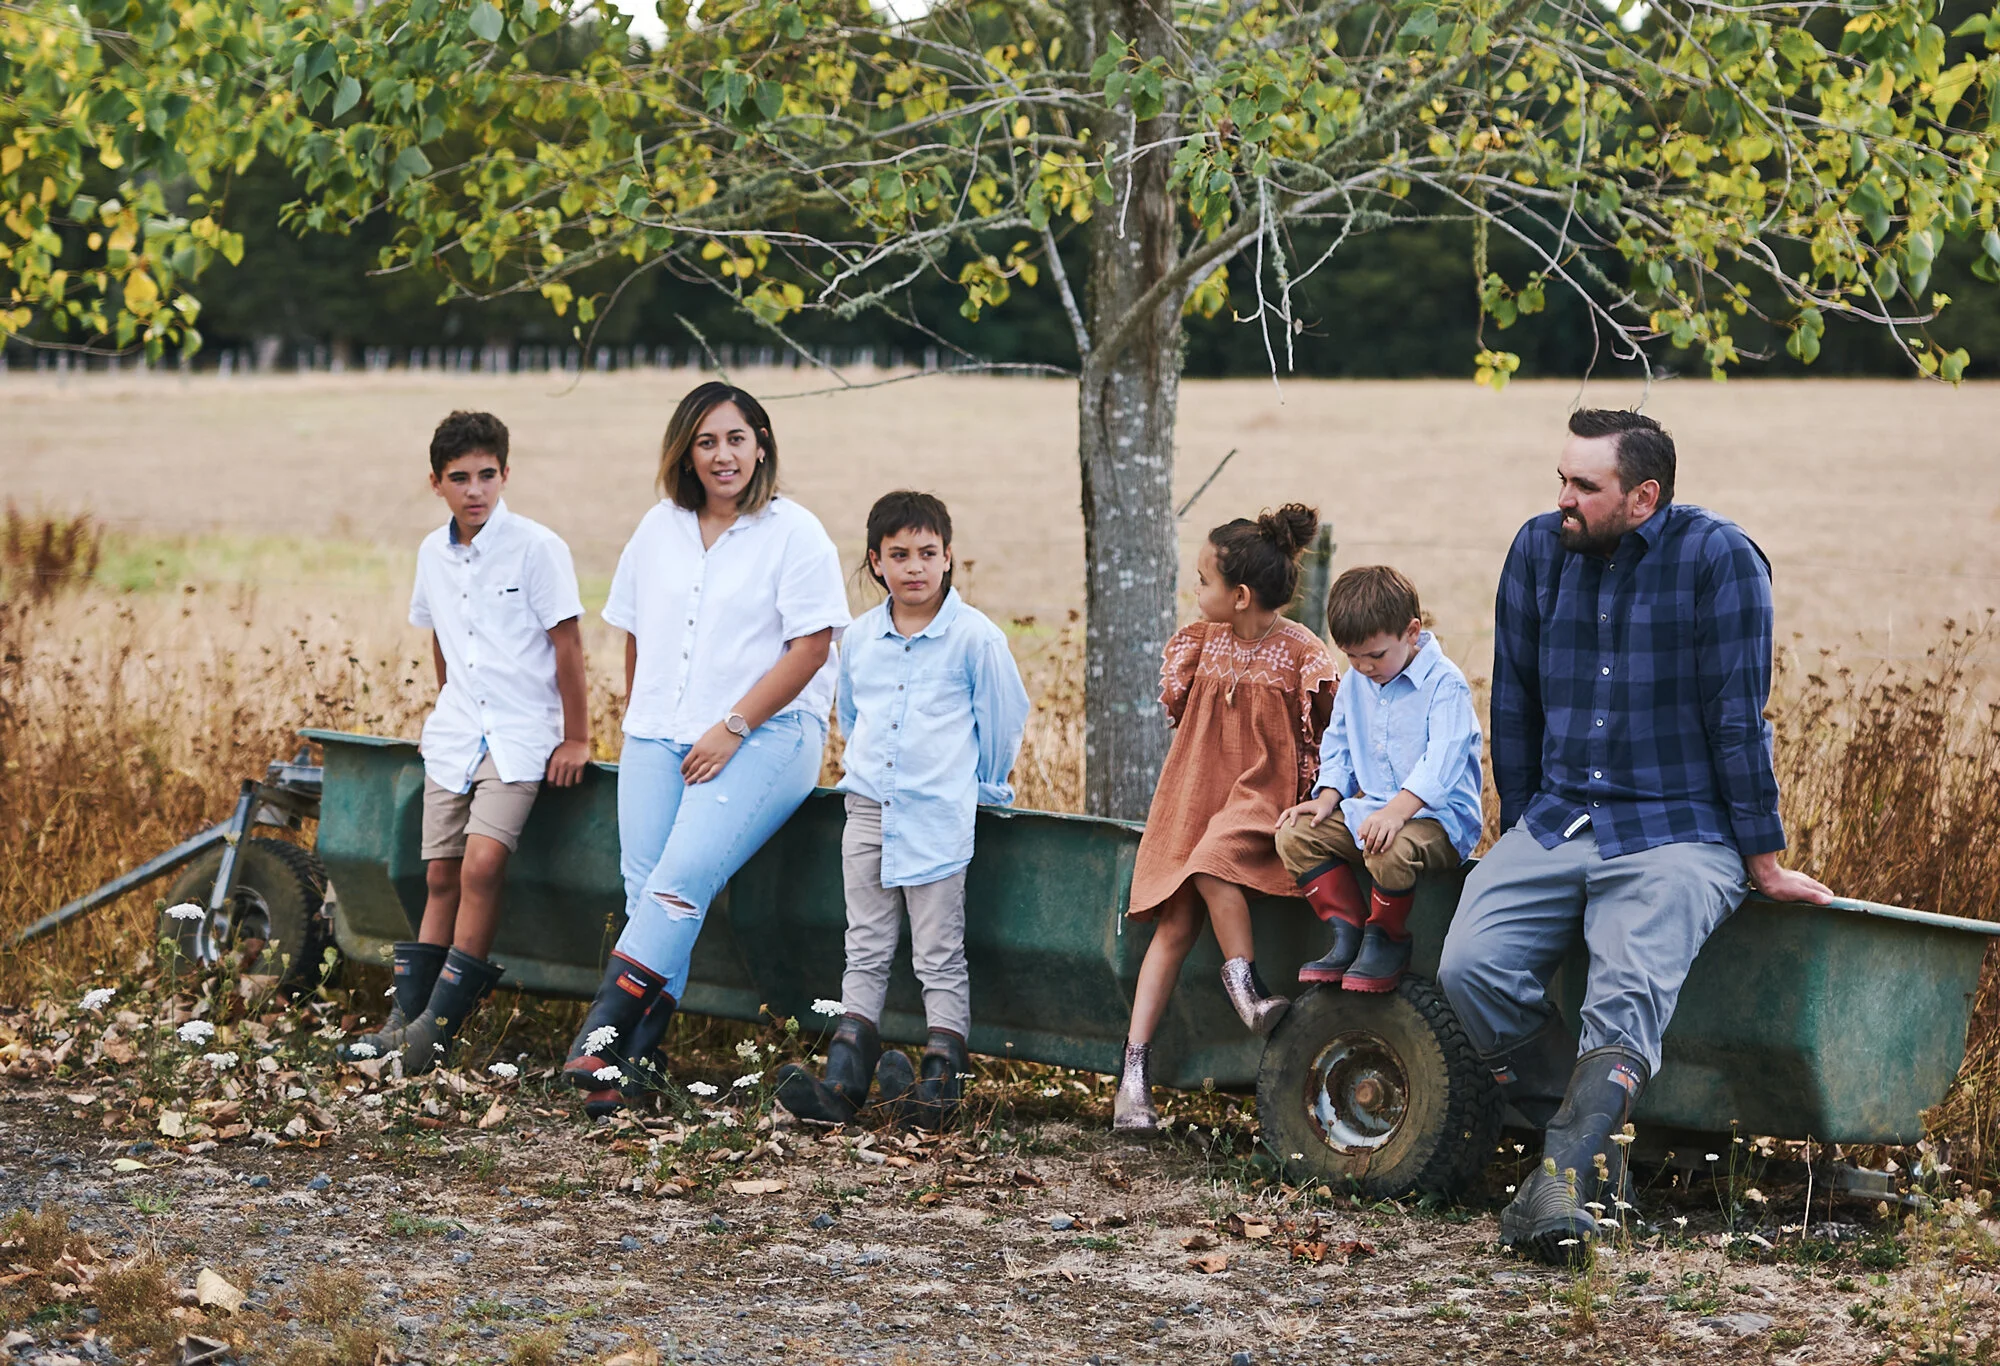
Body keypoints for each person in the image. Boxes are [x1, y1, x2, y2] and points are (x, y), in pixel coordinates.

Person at [1437, 408, 1832, 1265]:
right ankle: (1577, 1155)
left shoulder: (1720, 560)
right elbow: (1517, 705)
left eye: (1586, 485)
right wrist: (1518, 836)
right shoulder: (1539, 550)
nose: (1563, 500)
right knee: (1469, 965)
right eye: (1561, 479)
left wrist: (1762, 860)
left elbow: (1738, 719)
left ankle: (1558, 1189)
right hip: (1561, 816)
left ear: (1643, 497)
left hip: (1677, 830)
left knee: (1624, 993)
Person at [561, 382, 850, 1116]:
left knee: (681, 879)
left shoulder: (796, 532)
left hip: (770, 732)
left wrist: (735, 725)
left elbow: (813, 646)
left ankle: (599, 1036)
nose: (723, 455)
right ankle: (635, 1066)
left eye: (736, 438)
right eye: (707, 442)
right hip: (658, 730)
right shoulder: (658, 528)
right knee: (644, 892)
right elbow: (634, 631)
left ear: (761, 443)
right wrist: (641, 718)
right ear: (686, 452)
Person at [341, 410, 589, 1073]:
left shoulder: (538, 549)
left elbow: (568, 647)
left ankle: (440, 1027)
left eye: (487, 475)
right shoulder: (431, 553)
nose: (475, 490)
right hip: (455, 734)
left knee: (483, 865)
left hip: (521, 734)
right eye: (460, 478)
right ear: (436, 483)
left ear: (506, 474)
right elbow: (440, 636)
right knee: (440, 873)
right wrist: (451, 704)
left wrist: (577, 738)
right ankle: (407, 1017)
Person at [775, 492, 1030, 1130]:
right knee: (863, 943)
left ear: (948, 558)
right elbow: (854, 716)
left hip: (937, 814)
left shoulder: (976, 639)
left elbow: (1001, 722)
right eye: (898, 555)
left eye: (927, 553)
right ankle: (844, 1078)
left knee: (938, 953)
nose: (914, 566)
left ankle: (941, 1081)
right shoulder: (860, 639)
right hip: (866, 809)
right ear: (875, 562)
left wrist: (984, 787)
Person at [1112, 505, 1336, 1135]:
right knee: (1175, 923)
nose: (1196, 590)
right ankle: (1133, 1078)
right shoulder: (1200, 643)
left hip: (1258, 796)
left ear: (1239, 596)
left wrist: (1320, 797)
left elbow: (1324, 733)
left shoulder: (1300, 651)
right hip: (1194, 791)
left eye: (1204, 580)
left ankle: (1247, 988)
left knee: (1213, 863)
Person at [1274, 566, 1482, 992]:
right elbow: (1340, 743)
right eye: (1353, 657)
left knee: (1386, 845)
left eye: (1376, 655)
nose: (1365, 667)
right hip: (1377, 810)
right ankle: (1348, 932)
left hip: (1439, 820)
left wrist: (1396, 812)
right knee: (1294, 833)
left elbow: (1442, 761)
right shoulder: (1356, 683)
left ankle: (1387, 938)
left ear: (1411, 631)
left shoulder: (1445, 686)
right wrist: (1329, 794)